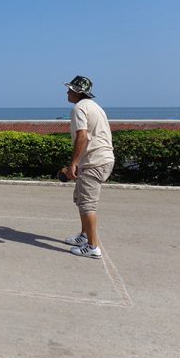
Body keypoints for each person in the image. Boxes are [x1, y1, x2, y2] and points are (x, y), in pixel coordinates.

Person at [63, 76, 115, 258]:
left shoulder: (79, 108)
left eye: (70, 89)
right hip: (100, 159)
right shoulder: (95, 107)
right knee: (81, 199)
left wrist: (73, 164)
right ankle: (84, 236)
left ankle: (93, 247)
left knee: (87, 204)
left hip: (94, 161)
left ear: (78, 92)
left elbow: (82, 137)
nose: (67, 92)